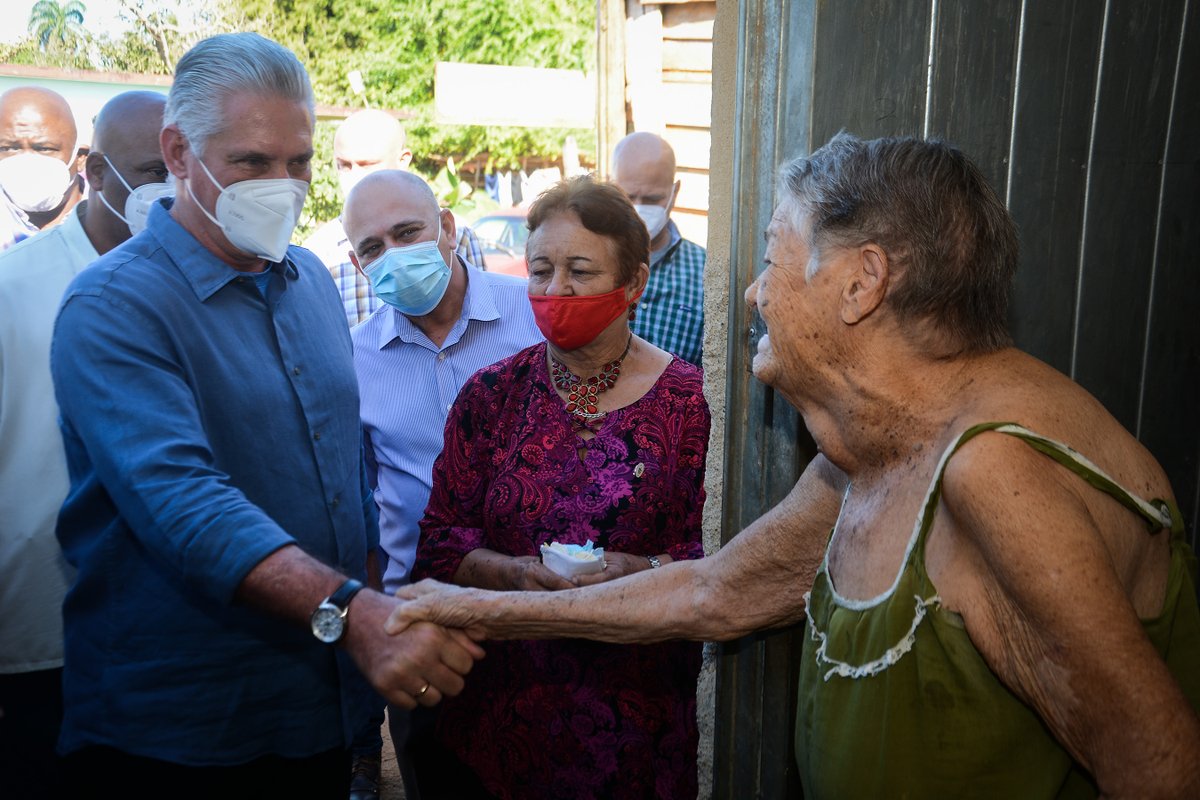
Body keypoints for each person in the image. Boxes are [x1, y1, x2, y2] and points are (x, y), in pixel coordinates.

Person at [391, 134, 1200, 799]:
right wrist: (476, 605)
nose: (752, 294)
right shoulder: (871, 449)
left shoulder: (997, 472)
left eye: (774, 260)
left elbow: (1160, 770)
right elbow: (715, 591)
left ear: (861, 283)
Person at [48, 33, 482, 796]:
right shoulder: (114, 305)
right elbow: (184, 502)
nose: (282, 184)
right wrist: (355, 615)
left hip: (321, 709)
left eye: (299, 161)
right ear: (179, 154)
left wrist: (377, 604)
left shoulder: (308, 277)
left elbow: (348, 468)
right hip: (182, 733)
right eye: (251, 162)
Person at [407, 175, 711, 799]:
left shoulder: (691, 404)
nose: (555, 290)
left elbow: (712, 558)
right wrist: (514, 575)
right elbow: (438, 544)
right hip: (501, 714)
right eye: (541, 270)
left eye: (580, 270)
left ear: (635, 285)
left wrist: (639, 567)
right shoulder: (491, 397)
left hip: (636, 718)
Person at [344, 168, 544, 799]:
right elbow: (363, 500)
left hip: (540, 611)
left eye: (408, 233)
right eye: (374, 248)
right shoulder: (352, 359)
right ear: (356, 262)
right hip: (424, 622)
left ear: (448, 229)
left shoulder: (536, 317)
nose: (393, 256)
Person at [0, 89, 167, 800]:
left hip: (171, 638)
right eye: (149, 171)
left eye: (180, 172)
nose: (166, 193)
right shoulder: (13, 288)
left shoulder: (203, 286)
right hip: (39, 639)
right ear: (95, 174)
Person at [304, 109, 483, 326]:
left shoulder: (455, 234)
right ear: (357, 263)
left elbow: (483, 314)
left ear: (403, 159)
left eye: (367, 164)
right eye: (344, 165)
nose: (353, 176)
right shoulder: (319, 255)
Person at [611, 131, 705, 366]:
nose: (639, 209)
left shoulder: (706, 272)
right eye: (628, 197)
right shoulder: (587, 264)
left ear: (674, 193)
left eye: (653, 199)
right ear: (610, 188)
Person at [0, 86, 86, 251]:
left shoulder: (114, 223)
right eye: (9, 148)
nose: (25, 162)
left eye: (44, 148)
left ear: (80, 158)